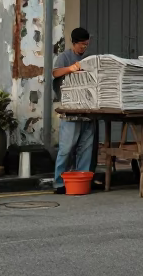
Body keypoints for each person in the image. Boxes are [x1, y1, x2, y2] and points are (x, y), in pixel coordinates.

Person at [52, 26, 95, 193]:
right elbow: (55, 73)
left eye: (86, 45)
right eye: (81, 45)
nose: (83, 48)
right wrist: (70, 69)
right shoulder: (64, 57)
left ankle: (82, 180)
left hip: (88, 110)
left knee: (86, 148)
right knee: (66, 147)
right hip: (70, 111)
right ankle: (59, 183)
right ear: (74, 43)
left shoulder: (89, 58)